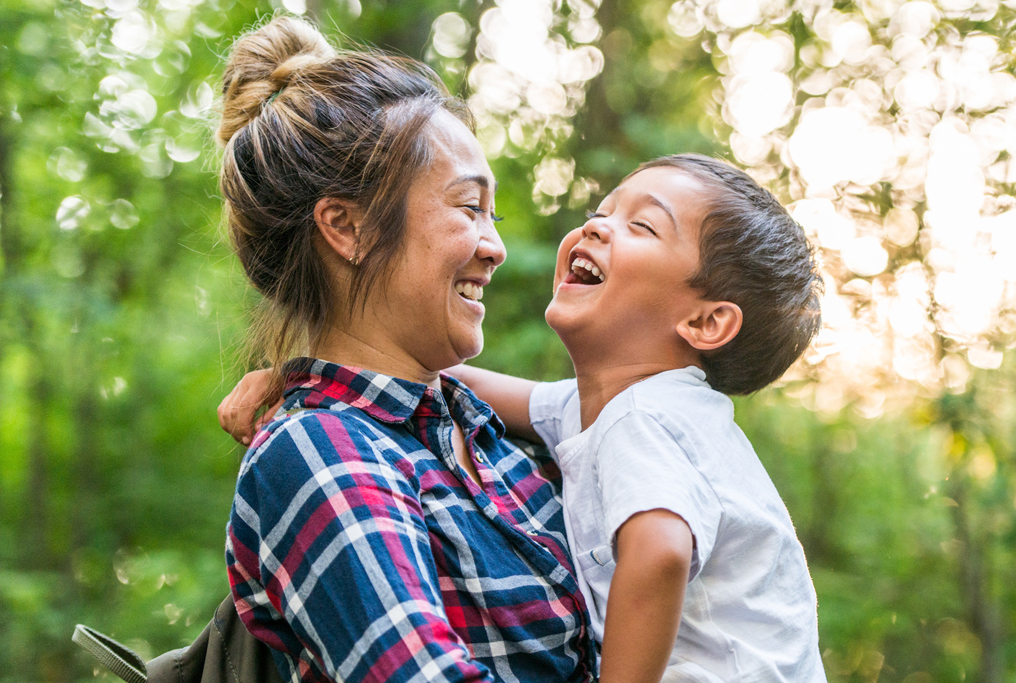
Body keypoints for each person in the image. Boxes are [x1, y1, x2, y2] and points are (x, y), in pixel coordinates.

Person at [224, 155, 828, 682]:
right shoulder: (606, 411)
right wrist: (293, 376)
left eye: (641, 225)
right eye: (604, 209)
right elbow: (445, 383)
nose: (596, 225)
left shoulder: (645, 421)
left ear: (703, 324)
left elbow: (661, 553)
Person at [213, 15, 595, 683]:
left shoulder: (483, 436)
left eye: (492, 214)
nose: (495, 246)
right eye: (467, 207)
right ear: (347, 226)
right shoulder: (315, 452)